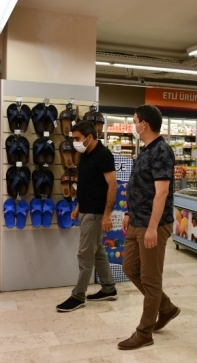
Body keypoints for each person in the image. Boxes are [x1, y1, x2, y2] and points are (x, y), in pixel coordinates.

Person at [118, 105, 180, 350]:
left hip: (152, 225)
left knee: (151, 279)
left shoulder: (162, 151)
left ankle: (144, 332)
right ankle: (166, 307)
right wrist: (127, 212)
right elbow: (138, 186)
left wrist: (153, 227)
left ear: (144, 124)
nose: (133, 125)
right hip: (136, 221)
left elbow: (161, 192)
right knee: (129, 268)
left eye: (135, 121)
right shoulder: (145, 150)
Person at [56, 121, 118, 312]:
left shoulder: (104, 155)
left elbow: (112, 185)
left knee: (85, 254)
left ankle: (78, 296)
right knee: (97, 250)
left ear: (90, 137)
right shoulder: (84, 155)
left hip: (95, 212)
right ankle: (109, 288)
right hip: (85, 209)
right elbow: (85, 183)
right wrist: (78, 205)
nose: (74, 142)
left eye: (77, 138)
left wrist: (107, 215)